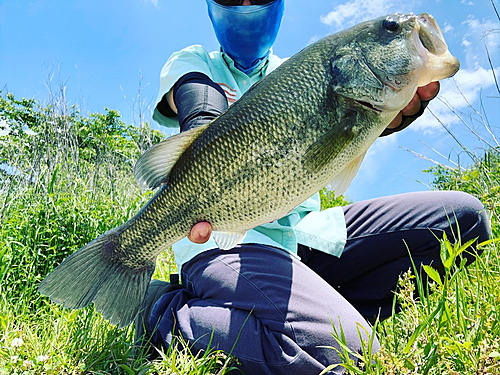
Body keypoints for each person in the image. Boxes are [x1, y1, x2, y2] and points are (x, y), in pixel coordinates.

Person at [136, 1, 492, 374]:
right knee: (344, 354)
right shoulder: (195, 59)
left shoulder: (294, 70)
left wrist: (380, 117)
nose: (245, 6)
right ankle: (162, 312)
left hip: (305, 234)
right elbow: (196, 96)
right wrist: (205, 130)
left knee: (463, 220)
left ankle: (315, 313)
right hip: (229, 238)